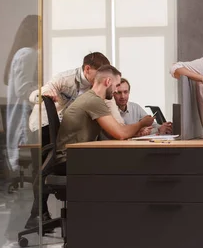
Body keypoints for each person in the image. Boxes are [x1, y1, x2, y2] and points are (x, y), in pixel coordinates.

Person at [25, 65, 154, 229]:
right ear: (108, 81)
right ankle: (123, 224)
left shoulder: (91, 99)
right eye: (115, 87)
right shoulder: (93, 101)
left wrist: (135, 132)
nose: (115, 92)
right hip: (70, 161)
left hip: (72, 158)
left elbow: (114, 133)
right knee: (127, 169)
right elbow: (120, 133)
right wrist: (142, 122)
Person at [0, 15, 39, 248]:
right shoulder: (27, 53)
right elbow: (26, 90)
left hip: (24, 129)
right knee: (26, 189)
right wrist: (50, 91)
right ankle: (9, 241)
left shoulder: (21, 54)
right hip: (25, 131)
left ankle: (19, 233)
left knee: (31, 187)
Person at [28, 52, 112, 137]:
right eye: (100, 74)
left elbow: (109, 106)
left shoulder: (99, 86)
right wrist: (45, 94)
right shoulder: (64, 78)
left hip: (65, 129)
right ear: (87, 69)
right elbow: (33, 95)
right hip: (44, 126)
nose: (103, 78)